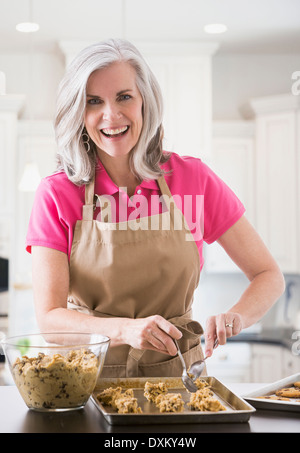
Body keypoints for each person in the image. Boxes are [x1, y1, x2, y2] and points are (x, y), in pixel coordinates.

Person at [26, 39, 285, 378]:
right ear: (79, 112)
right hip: (88, 382)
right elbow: (50, 318)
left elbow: (268, 276)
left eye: (124, 96)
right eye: (93, 101)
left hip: (182, 382)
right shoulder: (58, 193)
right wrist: (126, 330)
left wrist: (237, 316)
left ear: (145, 101)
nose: (111, 115)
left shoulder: (193, 180)